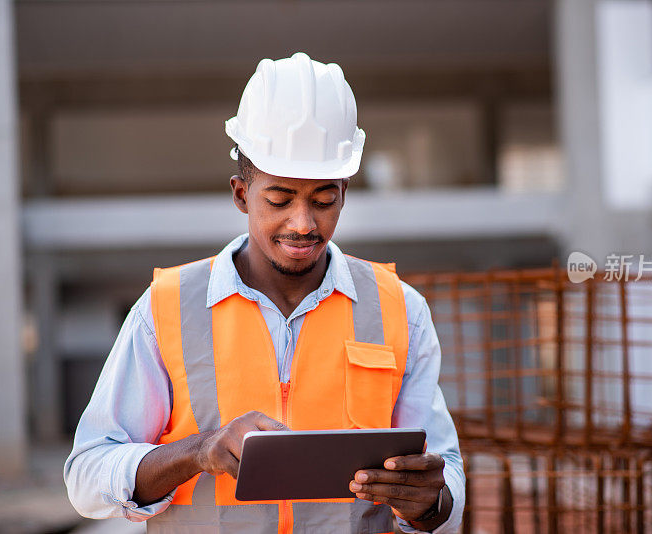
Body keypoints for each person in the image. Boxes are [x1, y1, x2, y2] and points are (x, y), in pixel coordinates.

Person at [64, 52, 465, 533]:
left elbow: (446, 486)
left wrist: (428, 502)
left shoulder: (400, 310)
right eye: (279, 200)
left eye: (324, 200)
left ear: (345, 191)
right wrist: (199, 450)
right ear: (240, 193)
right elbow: (87, 478)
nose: (303, 224)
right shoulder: (166, 308)